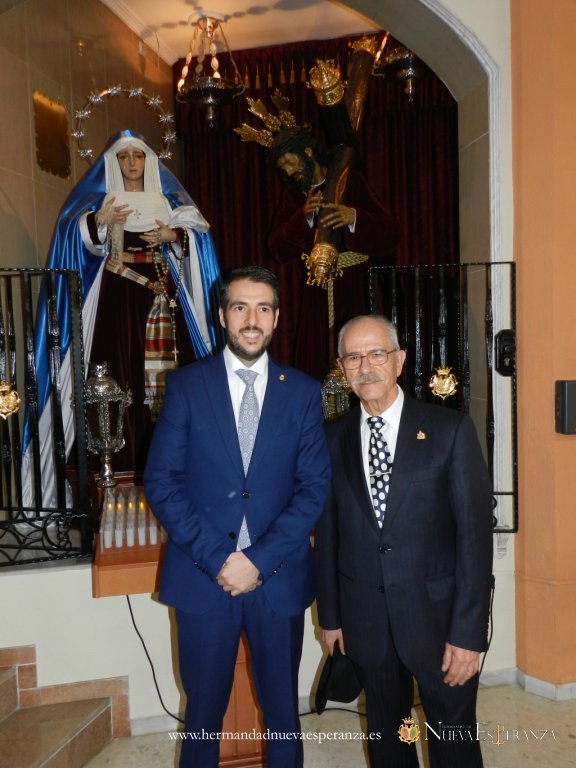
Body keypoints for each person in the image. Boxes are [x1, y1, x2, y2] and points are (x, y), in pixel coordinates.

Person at [144, 266, 331, 768]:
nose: (253, 319)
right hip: (204, 580)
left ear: (276, 318)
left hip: (278, 579)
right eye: (241, 307)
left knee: (282, 716)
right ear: (223, 314)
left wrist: (258, 559)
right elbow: (162, 483)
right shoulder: (185, 386)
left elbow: (313, 489)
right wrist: (222, 558)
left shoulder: (303, 392)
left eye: (264, 308)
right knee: (203, 715)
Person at [314, 315, 493, 768]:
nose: (366, 366)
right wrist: (331, 617)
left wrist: (469, 633)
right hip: (367, 625)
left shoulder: (450, 432)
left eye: (377, 353)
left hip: (440, 625)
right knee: (391, 739)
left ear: (399, 360)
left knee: (452, 740)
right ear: (342, 366)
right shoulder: (331, 440)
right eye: (353, 357)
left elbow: (474, 538)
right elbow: (329, 534)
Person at [23, 130, 220, 499]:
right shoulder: (101, 201)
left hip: (162, 296)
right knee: (115, 372)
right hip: (116, 296)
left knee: (175, 377)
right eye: (124, 157)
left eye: (138, 156)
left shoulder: (169, 201)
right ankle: (116, 466)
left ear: (149, 161)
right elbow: (74, 237)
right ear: (113, 163)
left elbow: (198, 241)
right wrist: (100, 220)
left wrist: (172, 235)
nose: (131, 164)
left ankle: (182, 466)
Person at [267, 127, 400, 380]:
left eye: (289, 161)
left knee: (358, 354)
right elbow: (276, 249)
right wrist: (302, 218)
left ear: (307, 152)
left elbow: (392, 233)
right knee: (316, 362)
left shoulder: (351, 182)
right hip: (316, 292)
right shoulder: (295, 196)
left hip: (354, 287)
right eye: (282, 166)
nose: (287, 170)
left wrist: (355, 218)